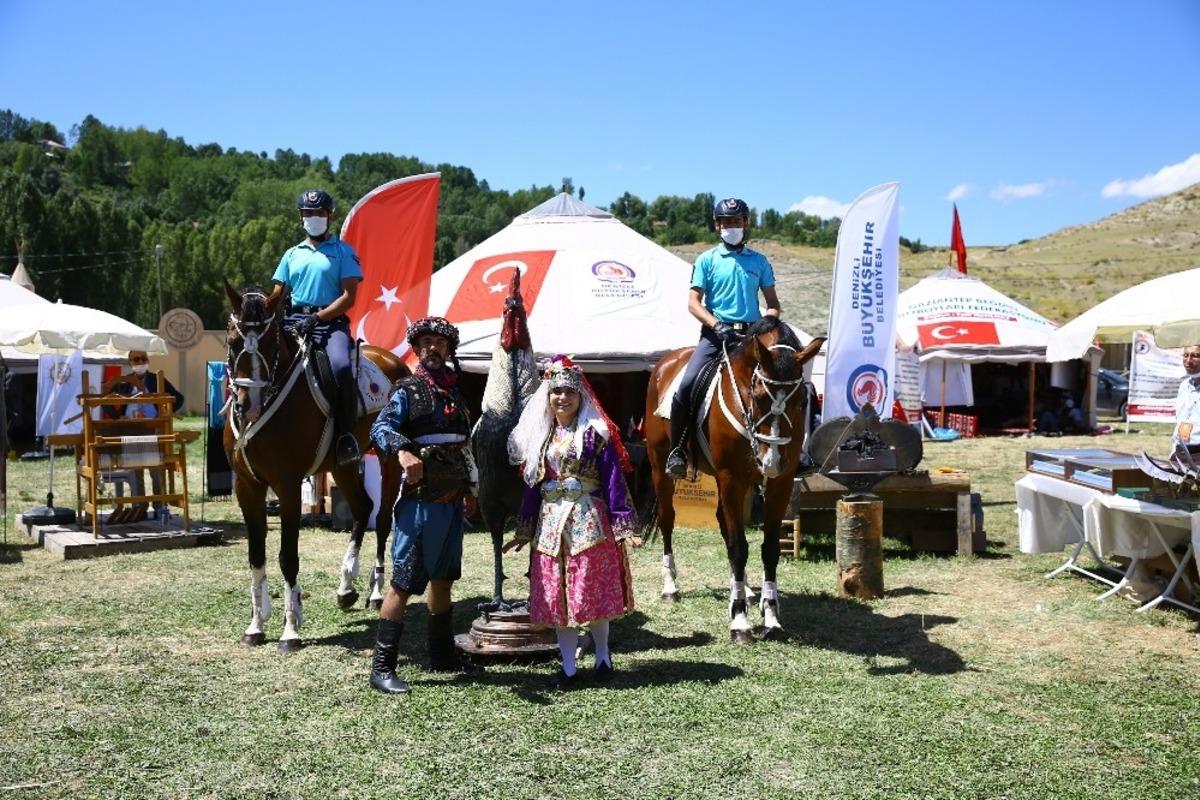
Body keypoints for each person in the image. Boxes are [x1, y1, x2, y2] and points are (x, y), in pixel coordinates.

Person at [505, 356, 640, 690]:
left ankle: (603, 658)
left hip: (587, 522)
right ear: (548, 397)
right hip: (550, 528)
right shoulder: (540, 438)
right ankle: (567, 668)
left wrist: (623, 524)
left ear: (581, 397)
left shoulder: (595, 435)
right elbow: (532, 487)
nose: (562, 398)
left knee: (589, 592)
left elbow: (613, 481)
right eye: (556, 392)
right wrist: (524, 527)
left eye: (569, 392)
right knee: (557, 599)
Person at [366, 316, 478, 695]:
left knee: (443, 578)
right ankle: (382, 668)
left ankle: (441, 654)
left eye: (440, 343)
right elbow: (381, 428)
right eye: (426, 342)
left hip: (451, 502)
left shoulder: (457, 393)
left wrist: (471, 487)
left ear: (449, 350)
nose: (433, 348)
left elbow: (464, 444)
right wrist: (402, 452)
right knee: (403, 581)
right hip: (419, 501)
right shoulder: (407, 390)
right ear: (417, 349)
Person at [666, 197, 781, 478]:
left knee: (787, 384)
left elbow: (773, 303)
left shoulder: (759, 261)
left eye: (737, 221)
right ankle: (678, 451)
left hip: (752, 337)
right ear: (717, 224)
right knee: (686, 387)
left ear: (745, 224)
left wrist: (769, 321)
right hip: (716, 336)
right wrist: (716, 325)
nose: (732, 226)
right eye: (726, 222)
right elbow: (693, 303)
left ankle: (796, 452)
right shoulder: (707, 259)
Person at [270, 189, 364, 467]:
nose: (313, 218)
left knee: (342, 368)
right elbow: (277, 294)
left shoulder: (343, 252)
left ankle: (346, 437)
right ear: (300, 217)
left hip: (329, 325)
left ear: (330, 216)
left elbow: (349, 297)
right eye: (308, 213)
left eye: (319, 213)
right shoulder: (291, 254)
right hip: (292, 323)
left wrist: (319, 317)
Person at [101, 350, 184, 523]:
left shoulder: (156, 379)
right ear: (130, 362)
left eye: (143, 359)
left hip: (153, 428)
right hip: (131, 430)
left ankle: (159, 505)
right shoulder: (124, 381)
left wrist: (164, 414)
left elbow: (179, 398)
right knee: (135, 469)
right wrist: (118, 417)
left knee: (156, 468)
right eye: (136, 359)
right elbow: (103, 398)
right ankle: (140, 506)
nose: (141, 362)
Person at [1172, 344, 1200, 450]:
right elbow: (1180, 419)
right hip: (1181, 449)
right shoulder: (1184, 386)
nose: (1188, 360)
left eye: (1195, 355)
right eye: (1185, 355)